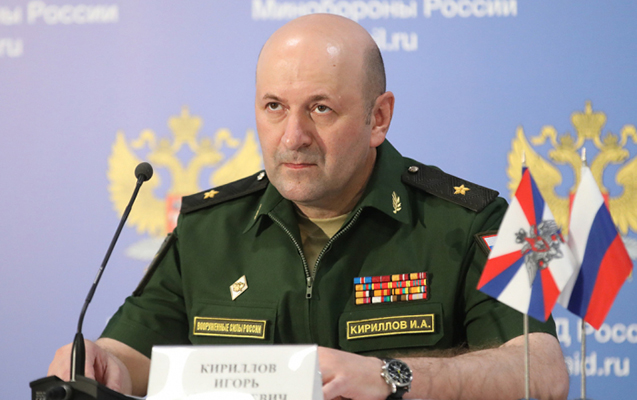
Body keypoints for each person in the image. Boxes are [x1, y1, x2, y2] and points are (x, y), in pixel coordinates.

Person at [48, 13, 569, 400]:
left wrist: (393, 377)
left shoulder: (473, 219)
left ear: (378, 118)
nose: (292, 136)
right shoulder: (207, 229)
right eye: (274, 107)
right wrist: (103, 361)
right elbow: (133, 353)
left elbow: (543, 370)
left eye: (320, 108)